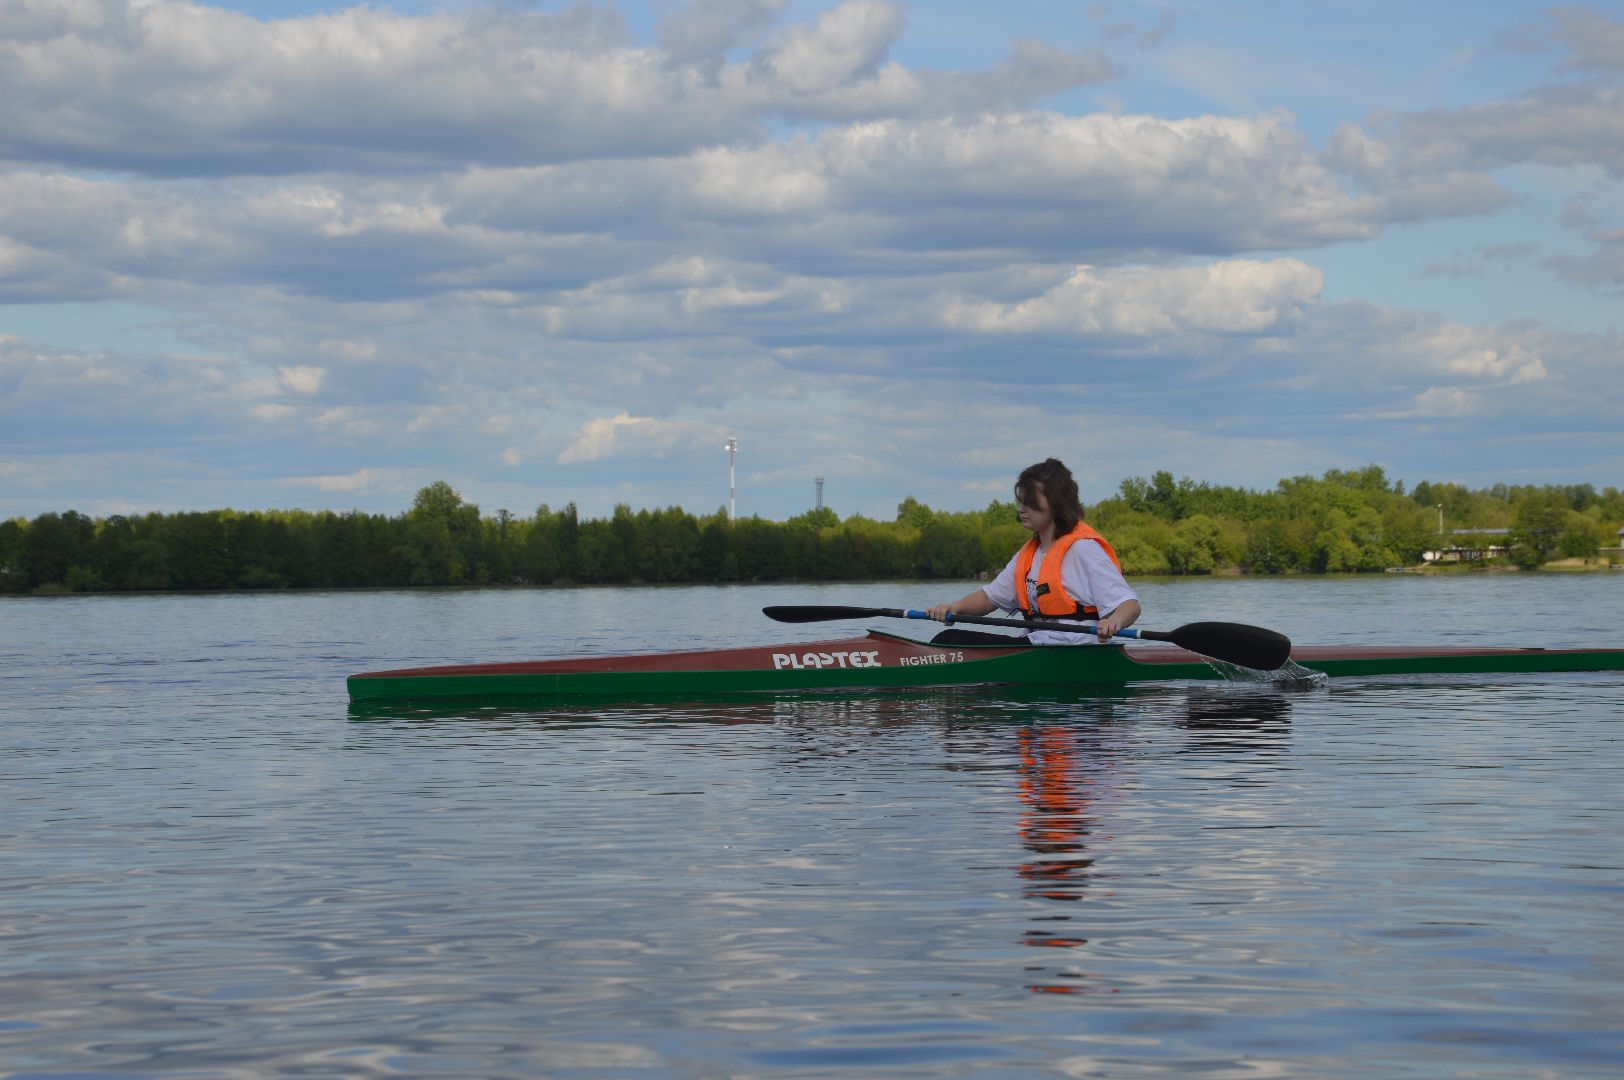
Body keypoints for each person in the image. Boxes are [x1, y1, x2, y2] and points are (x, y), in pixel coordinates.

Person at [925, 458, 1141, 646]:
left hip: (1075, 648)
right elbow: (989, 599)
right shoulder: (1027, 555)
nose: (1021, 508)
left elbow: (1129, 605)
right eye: (1020, 501)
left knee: (955, 641)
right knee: (948, 638)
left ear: (1056, 503)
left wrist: (1115, 621)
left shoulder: (1083, 549)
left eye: (1029, 502)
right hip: (1037, 644)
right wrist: (956, 607)